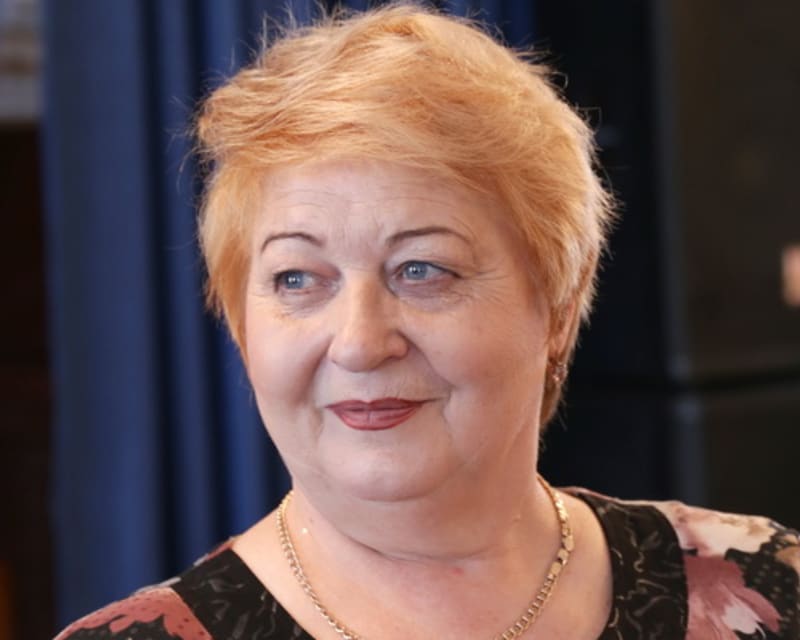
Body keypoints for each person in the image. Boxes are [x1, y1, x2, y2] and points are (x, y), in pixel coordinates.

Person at [56, 4, 799, 639]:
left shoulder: (773, 588)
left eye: (422, 270)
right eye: (297, 279)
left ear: (559, 308)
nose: (359, 342)